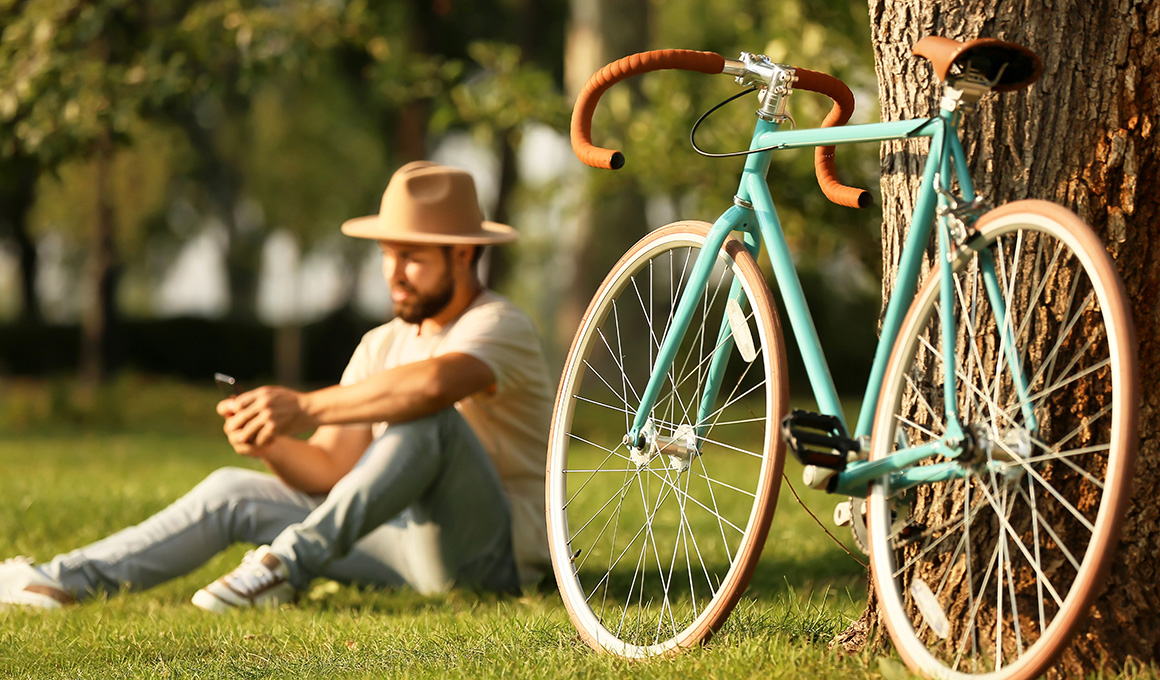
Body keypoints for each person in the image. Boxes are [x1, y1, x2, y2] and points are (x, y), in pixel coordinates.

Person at [0, 161, 554, 611]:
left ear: (462, 254)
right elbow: (333, 471)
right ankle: (62, 580)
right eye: (387, 255)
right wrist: (270, 439)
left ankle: (283, 566)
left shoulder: (498, 324)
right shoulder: (381, 344)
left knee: (429, 417)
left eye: (410, 257)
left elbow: (433, 385)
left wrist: (305, 405)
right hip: (398, 547)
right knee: (229, 490)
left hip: (491, 558)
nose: (392, 272)